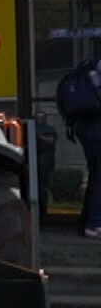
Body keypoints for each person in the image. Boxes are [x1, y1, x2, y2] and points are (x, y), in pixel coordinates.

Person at [63, 53, 101, 239]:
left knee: (96, 174)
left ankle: (87, 221)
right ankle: (95, 223)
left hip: (84, 126)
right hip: (97, 125)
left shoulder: (90, 66)